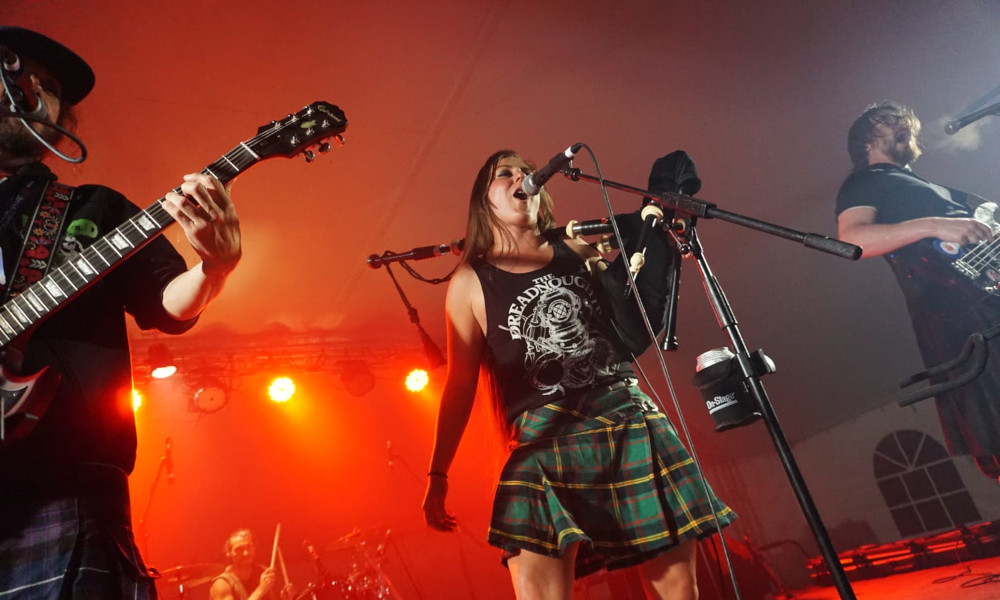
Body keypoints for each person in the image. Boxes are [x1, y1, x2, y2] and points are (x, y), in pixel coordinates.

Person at [422, 149, 736, 599]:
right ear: (483, 201)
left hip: (623, 416)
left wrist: (657, 247)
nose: (521, 177)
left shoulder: (578, 248)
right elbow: (460, 384)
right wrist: (438, 474)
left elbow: (632, 320)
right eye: (505, 173)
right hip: (544, 436)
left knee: (678, 590)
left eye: (527, 172)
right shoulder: (471, 281)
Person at [0, 26, 241, 599]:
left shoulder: (94, 207)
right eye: (15, 73)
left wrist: (214, 267)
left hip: (65, 482)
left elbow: (168, 303)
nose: (32, 88)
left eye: (49, 85)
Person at [836, 100, 1000, 480]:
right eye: (888, 121)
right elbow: (853, 240)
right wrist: (934, 225)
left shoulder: (932, 187)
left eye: (905, 121)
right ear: (865, 142)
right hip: (961, 316)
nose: (903, 123)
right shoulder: (864, 181)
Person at [209, 529, 294, 600]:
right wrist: (261, 589)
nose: (246, 553)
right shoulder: (221, 584)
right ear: (228, 553)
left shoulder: (262, 573)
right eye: (239, 549)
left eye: (249, 547)